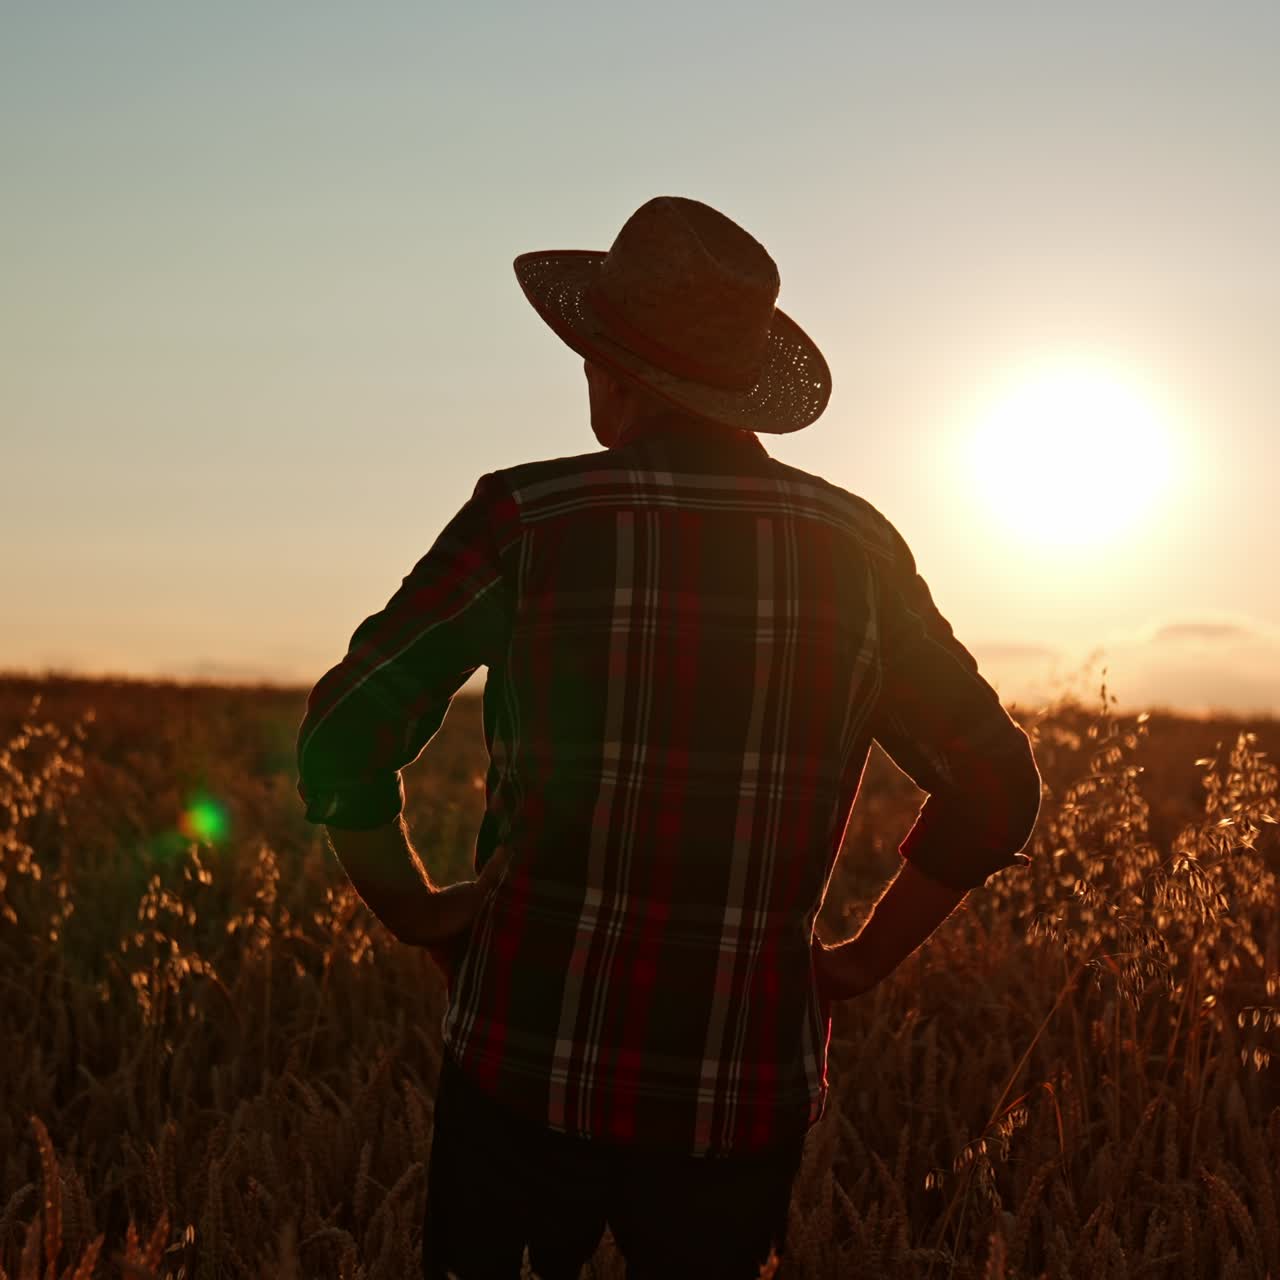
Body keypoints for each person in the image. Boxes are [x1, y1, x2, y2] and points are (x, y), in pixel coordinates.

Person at [295, 195, 1042, 1279]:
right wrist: (860, 960)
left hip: (518, 1060)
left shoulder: (528, 518)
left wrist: (412, 908)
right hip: (738, 1090)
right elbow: (995, 786)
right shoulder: (856, 551)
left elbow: (342, 736)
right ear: (738, 386)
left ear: (616, 376)